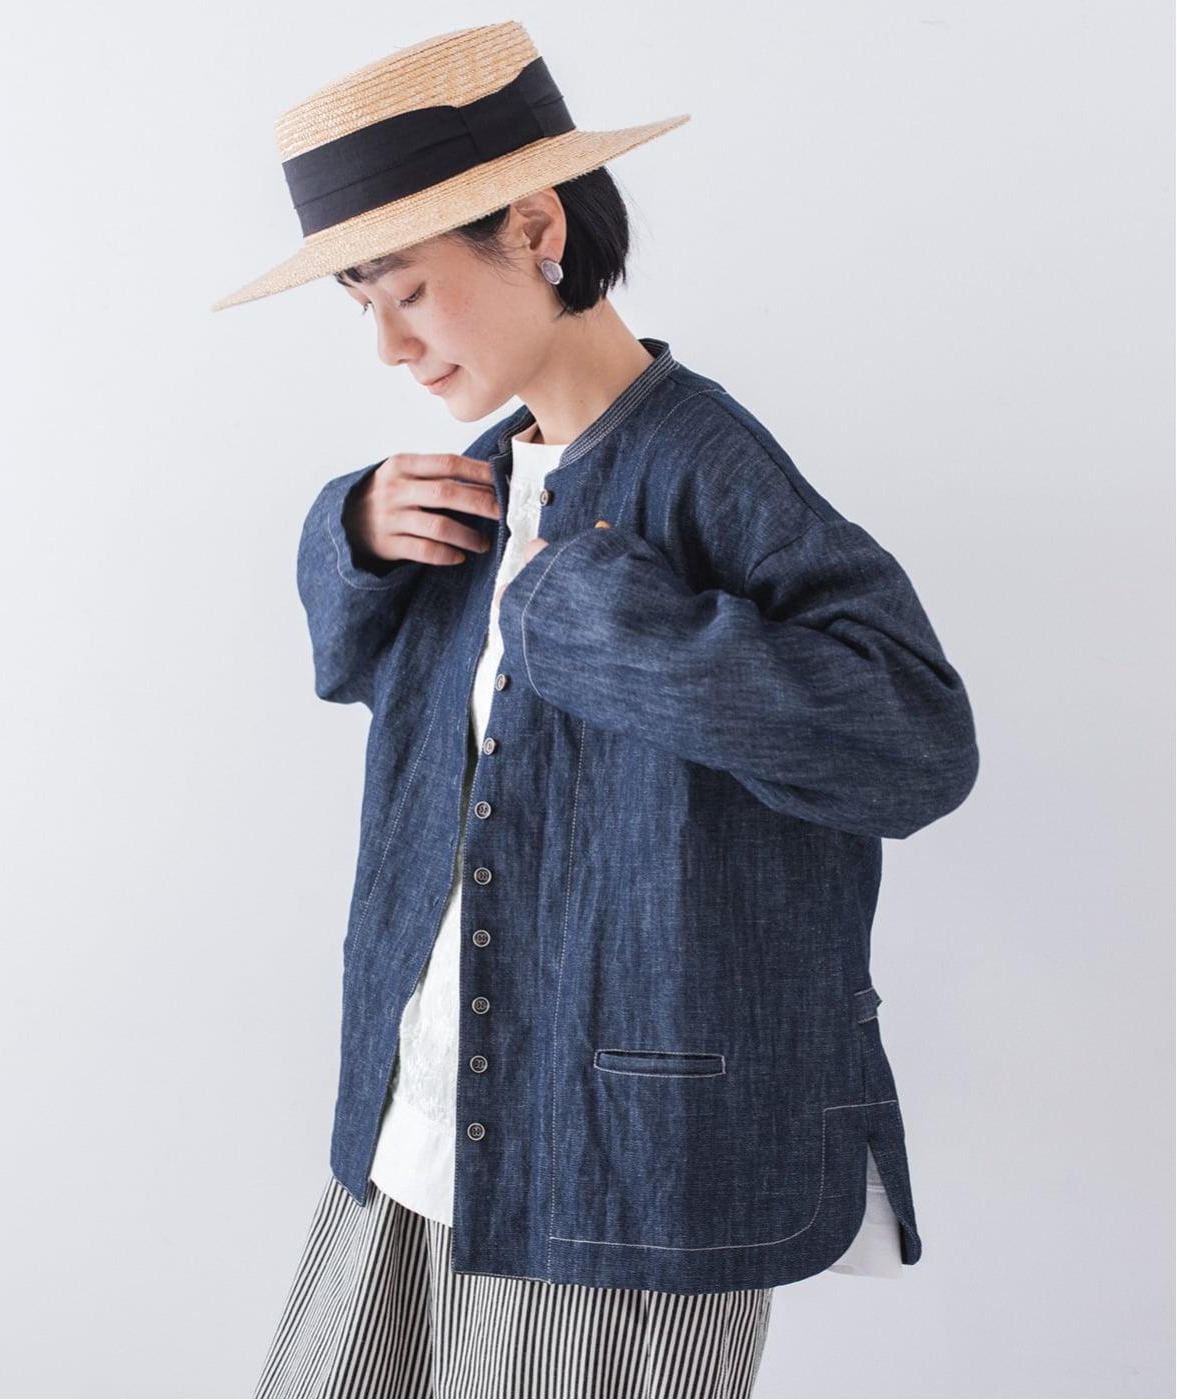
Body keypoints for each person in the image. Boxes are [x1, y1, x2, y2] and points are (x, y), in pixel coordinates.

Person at [212, 22, 980, 1400]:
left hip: (625, 1160)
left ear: (535, 228)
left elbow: (912, 746)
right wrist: (353, 533)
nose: (387, 345)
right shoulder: (480, 476)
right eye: (358, 303)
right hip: (428, 1124)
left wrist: (600, 618)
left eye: (410, 291)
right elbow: (358, 671)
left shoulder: (708, 467)